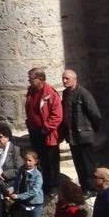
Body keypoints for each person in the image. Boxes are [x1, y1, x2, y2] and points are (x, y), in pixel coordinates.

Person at [60, 69, 101, 195]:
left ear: (74, 79)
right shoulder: (66, 94)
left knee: (88, 163)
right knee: (78, 163)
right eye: (63, 78)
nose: (64, 81)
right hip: (73, 136)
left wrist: (90, 130)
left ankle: (92, 188)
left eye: (67, 78)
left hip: (84, 136)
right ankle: (84, 187)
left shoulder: (83, 94)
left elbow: (95, 115)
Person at [25, 68, 62, 197]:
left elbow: (57, 116)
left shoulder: (50, 93)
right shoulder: (31, 91)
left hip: (47, 133)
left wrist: (45, 128)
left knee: (51, 160)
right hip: (35, 131)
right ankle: (43, 184)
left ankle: (53, 186)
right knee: (40, 160)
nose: (29, 80)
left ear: (40, 79)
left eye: (31, 78)